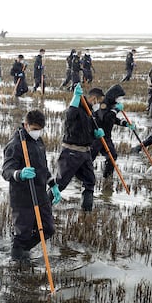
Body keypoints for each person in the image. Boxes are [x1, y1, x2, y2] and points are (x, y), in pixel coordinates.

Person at [1, 110, 60, 262]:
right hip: (22, 197)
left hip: (40, 193)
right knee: (22, 234)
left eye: (40, 129)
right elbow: (6, 171)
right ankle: (17, 263)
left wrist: (53, 185)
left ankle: (24, 251)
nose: (37, 133)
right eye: (34, 129)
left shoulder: (39, 142)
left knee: (48, 229)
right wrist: (19, 174)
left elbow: (43, 167)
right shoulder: (15, 145)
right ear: (26, 125)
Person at [54, 83, 104, 212]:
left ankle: (86, 211)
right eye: (99, 101)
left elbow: (88, 131)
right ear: (94, 99)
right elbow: (69, 117)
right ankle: (44, 208)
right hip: (71, 152)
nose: (99, 104)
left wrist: (95, 135)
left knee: (90, 181)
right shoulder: (77, 109)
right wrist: (75, 98)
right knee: (60, 183)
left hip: (85, 153)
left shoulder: (90, 112)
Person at [91, 85, 134, 179]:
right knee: (89, 158)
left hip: (106, 137)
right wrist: (116, 110)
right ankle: (79, 176)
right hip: (97, 137)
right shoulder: (103, 105)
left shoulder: (111, 105)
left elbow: (113, 119)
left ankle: (107, 177)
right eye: (118, 97)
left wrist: (124, 123)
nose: (119, 100)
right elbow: (106, 118)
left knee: (112, 157)